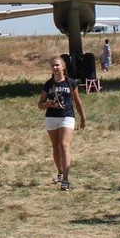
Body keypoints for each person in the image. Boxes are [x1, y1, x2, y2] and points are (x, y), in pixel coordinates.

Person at [38, 56, 86, 191]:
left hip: (67, 116)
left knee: (63, 144)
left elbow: (78, 101)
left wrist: (83, 118)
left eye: (57, 65)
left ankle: (65, 180)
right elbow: (40, 104)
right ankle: (59, 172)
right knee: (55, 147)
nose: (54, 68)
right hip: (51, 117)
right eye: (52, 66)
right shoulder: (48, 84)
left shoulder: (71, 83)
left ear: (63, 67)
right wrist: (48, 104)